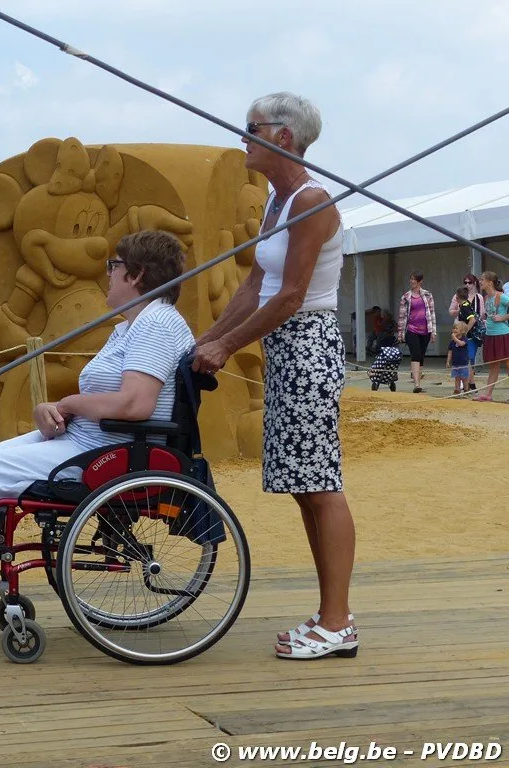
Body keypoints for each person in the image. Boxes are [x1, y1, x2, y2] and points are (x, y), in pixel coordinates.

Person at [0, 230, 194, 608]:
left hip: (113, 450)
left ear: (136, 274)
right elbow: (110, 398)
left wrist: (70, 403)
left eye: (114, 266)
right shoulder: (132, 327)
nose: (108, 273)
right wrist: (53, 408)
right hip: (93, 439)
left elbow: (135, 405)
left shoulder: (156, 325)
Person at [193, 92, 357, 660]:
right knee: (305, 489)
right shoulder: (277, 201)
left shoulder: (312, 201)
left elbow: (289, 297)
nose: (243, 136)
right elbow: (254, 286)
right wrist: (207, 339)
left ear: (283, 136)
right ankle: (331, 614)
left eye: (252, 127)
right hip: (286, 348)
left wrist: (226, 347)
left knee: (321, 485)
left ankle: (338, 622)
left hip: (308, 345)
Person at [396, 271, 436, 393]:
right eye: (411, 279)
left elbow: (432, 313)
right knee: (416, 354)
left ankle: (418, 380)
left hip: (425, 330)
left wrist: (433, 332)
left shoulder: (428, 295)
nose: (412, 281)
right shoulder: (405, 297)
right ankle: (416, 384)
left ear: (420, 281)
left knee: (421, 356)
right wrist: (400, 333)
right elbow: (402, 316)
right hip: (411, 329)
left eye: (415, 279)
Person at [475, 271, 509, 402]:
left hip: (502, 334)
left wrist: (503, 317)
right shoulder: (486, 298)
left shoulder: (501, 296)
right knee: (493, 366)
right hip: (490, 335)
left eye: (482, 279)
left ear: (490, 282)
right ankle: (488, 394)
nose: (480, 282)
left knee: (508, 364)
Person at [446, 321, 471, 395]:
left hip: (463, 363)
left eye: (456, 328)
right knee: (457, 378)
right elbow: (450, 352)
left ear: (462, 331)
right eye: (453, 328)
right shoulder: (452, 342)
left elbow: (461, 344)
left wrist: (454, 338)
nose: (454, 330)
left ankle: (466, 390)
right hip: (455, 363)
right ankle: (457, 390)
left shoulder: (464, 339)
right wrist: (448, 361)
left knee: (464, 378)